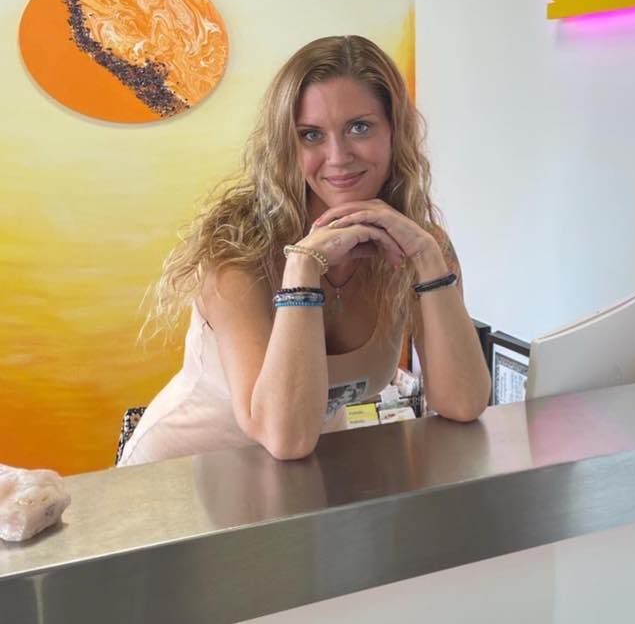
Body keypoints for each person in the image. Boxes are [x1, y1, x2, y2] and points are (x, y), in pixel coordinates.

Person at [118, 35, 490, 466]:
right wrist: (302, 266)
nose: (338, 157)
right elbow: (284, 436)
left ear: (394, 131)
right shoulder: (237, 252)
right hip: (183, 478)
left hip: (304, 479)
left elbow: (462, 402)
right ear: (286, 145)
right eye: (311, 135)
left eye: (360, 127)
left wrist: (428, 255)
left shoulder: (418, 247)